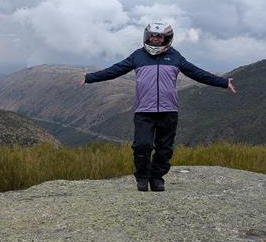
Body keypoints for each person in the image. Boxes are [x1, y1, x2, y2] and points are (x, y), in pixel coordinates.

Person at [80, 22, 236, 192]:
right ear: (147, 36)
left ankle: (157, 178)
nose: (155, 39)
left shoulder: (175, 57)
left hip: (168, 110)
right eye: (152, 35)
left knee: (164, 148)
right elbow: (115, 70)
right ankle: (142, 177)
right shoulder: (138, 56)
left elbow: (196, 73)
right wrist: (89, 77)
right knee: (142, 145)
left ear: (166, 38)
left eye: (159, 36)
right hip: (144, 111)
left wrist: (223, 82)